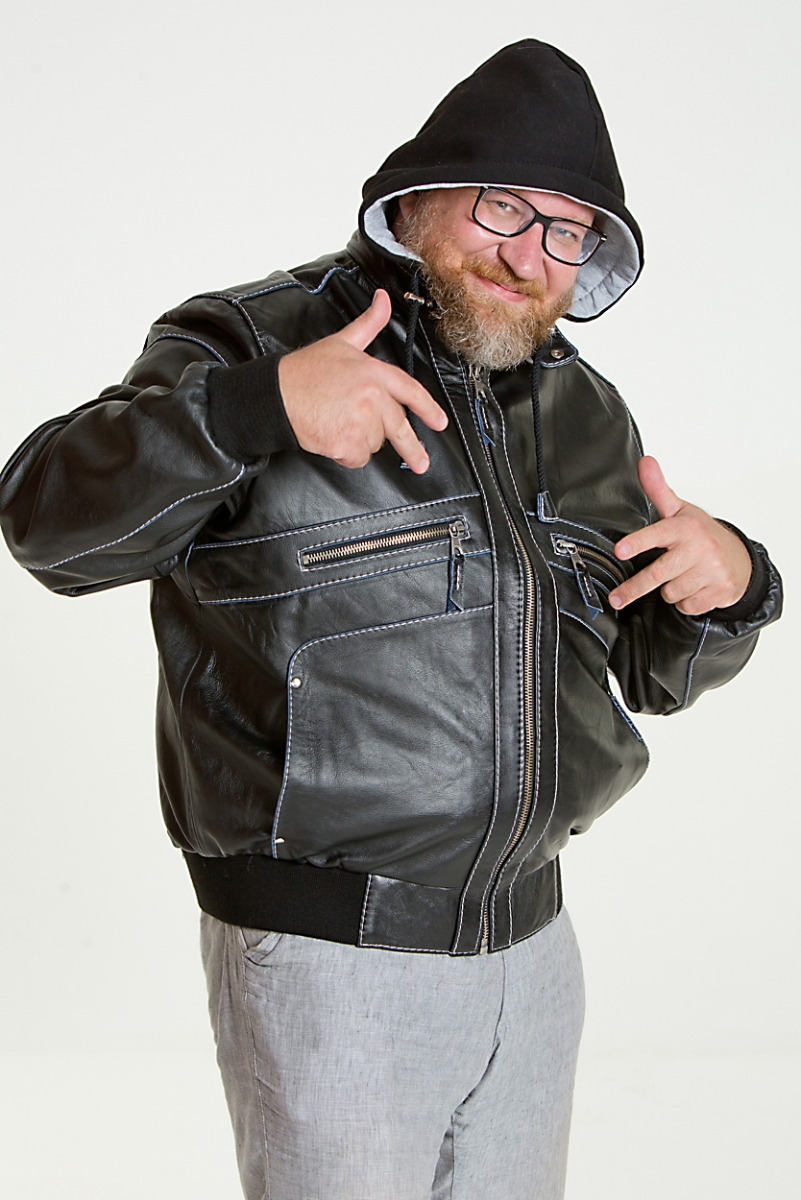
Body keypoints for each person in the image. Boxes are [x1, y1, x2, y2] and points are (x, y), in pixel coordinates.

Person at [0, 38, 782, 1200]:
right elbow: (47, 525)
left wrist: (736, 587)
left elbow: (650, 665)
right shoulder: (254, 341)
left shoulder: (580, 407)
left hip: (536, 957)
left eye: (568, 231)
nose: (530, 256)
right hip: (334, 961)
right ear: (415, 201)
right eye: (503, 207)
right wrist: (259, 409)